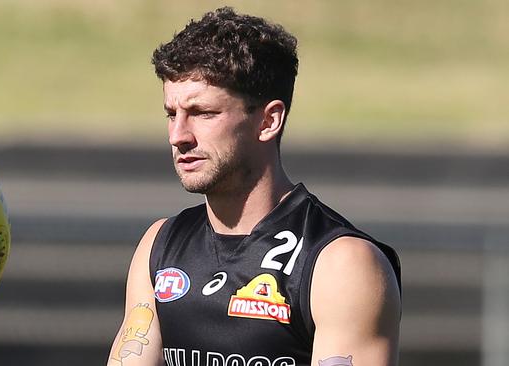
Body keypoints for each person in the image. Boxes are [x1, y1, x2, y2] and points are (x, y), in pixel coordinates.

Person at [108, 7, 401, 366]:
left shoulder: (340, 263)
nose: (178, 136)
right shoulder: (161, 245)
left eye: (203, 114)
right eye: (172, 114)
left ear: (268, 121)